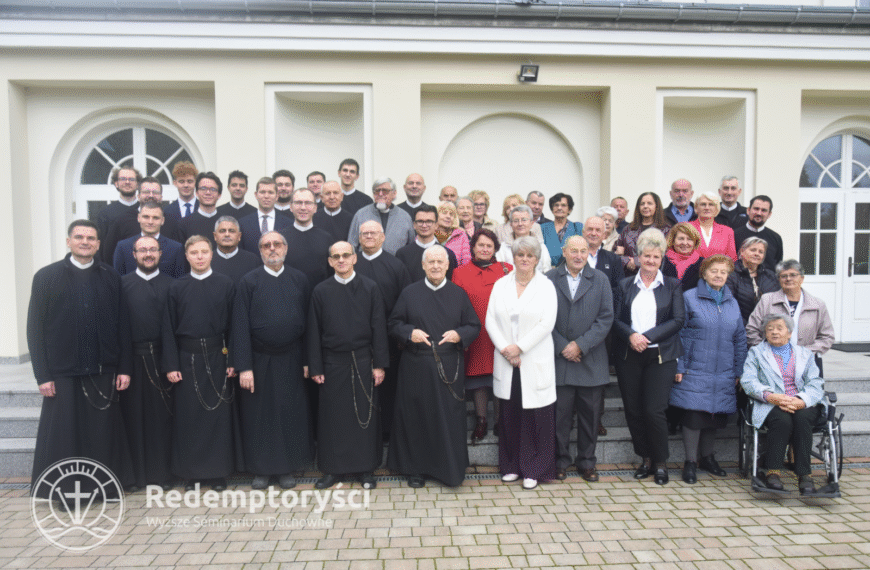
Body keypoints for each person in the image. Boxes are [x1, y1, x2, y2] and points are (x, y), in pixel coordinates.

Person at [28, 220, 134, 496]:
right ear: (69, 241)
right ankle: (65, 491)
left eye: (91, 238)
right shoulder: (46, 277)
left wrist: (123, 368)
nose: (85, 242)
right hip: (62, 372)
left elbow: (123, 325)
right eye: (79, 237)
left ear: (98, 244)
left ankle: (104, 488)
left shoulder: (111, 277)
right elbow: (35, 330)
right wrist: (43, 375)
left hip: (103, 369)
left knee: (102, 433)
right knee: (65, 437)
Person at [388, 245, 481, 488]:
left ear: (448, 265)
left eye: (440, 262)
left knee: (447, 418)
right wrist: (410, 332)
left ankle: (447, 468)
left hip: (449, 366)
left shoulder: (459, 294)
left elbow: (474, 325)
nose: (436, 266)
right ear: (423, 265)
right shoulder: (409, 293)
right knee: (416, 417)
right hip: (415, 365)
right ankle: (416, 469)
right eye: (431, 262)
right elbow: (394, 323)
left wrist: (459, 334)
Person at [233, 231, 313, 490]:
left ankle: (287, 468)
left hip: (291, 358)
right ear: (260, 251)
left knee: (290, 413)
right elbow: (240, 326)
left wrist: (308, 360)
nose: (272, 249)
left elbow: (309, 324)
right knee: (260, 415)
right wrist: (244, 366)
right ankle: (262, 471)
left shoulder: (300, 279)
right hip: (259, 360)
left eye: (277, 244)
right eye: (266, 245)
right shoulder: (249, 281)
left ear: (286, 248)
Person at [307, 241, 389, 490]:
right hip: (332, 363)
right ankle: (333, 470)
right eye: (336, 256)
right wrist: (316, 367)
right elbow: (313, 331)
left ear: (355, 258)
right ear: (330, 261)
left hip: (364, 361)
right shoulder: (320, 291)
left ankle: (365, 469)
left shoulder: (370, 287)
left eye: (346, 255)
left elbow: (379, 327)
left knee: (364, 418)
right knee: (333, 419)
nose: (341, 260)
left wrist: (379, 365)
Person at [162, 235, 240, 492]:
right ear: (186, 256)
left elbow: (235, 325)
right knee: (190, 418)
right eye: (194, 252)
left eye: (204, 252)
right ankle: (193, 474)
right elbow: (168, 329)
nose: (199, 256)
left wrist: (233, 360)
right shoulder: (176, 287)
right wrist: (171, 365)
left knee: (216, 416)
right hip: (187, 359)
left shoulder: (226, 284)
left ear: (211, 254)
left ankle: (217, 473)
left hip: (219, 357)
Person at [612, 228, 685, 485]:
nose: (651, 261)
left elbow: (678, 320)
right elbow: (614, 319)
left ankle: (661, 462)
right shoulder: (623, 285)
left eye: (656, 257)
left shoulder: (673, 285)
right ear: (638, 257)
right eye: (646, 256)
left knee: (654, 410)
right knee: (633, 410)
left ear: (662, 258)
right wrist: (631, 335)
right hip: (629, 355)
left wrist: (648, 337)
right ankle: (645, 458)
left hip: (660, 357)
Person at [487, 237, 558, 490]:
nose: (524, 259)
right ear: (513, 258)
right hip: (507, 359)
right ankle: (511, 466)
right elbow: (490, 321)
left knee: (535, 416)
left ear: (537, 259)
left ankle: (534, 469)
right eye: (520, 255)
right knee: (509, 414)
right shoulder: (500, 284)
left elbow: (546, 323)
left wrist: (520, 347)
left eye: (529, 255)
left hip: (533, 358)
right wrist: (507, 350)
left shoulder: (546, 286)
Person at [671, 255, 746, 484]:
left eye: (723, 272)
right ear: (704, 273)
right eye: (714, 271)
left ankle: (708, 458)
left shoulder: (731, 302)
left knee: (715, 413)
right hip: (694, 367)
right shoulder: (689, 298)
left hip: (723, 370)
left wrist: (738, 370)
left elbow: (740, 338)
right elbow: (678, 333)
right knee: (694, 416)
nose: (719, 275)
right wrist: (680, 364)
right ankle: (690, 462)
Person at [546, 236, 614, 483]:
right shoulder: (549, 278)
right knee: (559, 418)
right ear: (563, 251)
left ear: (589, 253)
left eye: (583, 251)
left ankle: (587, 463)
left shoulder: (601, 280)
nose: (578, 255)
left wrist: (580, 345)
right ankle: (560, 462)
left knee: (590, 417)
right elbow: (542, 318)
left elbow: (606, 318)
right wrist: (563, 346)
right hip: (560, 359)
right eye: (573, 250)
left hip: (590, 360)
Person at [741, 314, 826, 494]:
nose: (774, 332)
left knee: (802, 419)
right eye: (770, 329)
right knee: (782, 421)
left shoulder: (805, 354)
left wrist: (801, 400)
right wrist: (771, 396)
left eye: (779, 328)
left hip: (802, 401)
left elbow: (816, 383)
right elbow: (748, 381)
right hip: (771, 403)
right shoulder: (756, 353)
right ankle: (773, 472)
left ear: (789, 332)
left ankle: (805, 475)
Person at [120, 235, 174, 490]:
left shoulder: (173, 286)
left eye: (153, 249)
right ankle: (135, 477)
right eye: (142, 250)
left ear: (161, 253)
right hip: (132, 361)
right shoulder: (122, 286)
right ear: (133, 255)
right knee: (133, 419)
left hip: (164, 360)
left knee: (162, 420)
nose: (148, 254)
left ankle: (162, 475)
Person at [452, 228, 512, 444]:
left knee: (499, 378)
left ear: (495, 248)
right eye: (481, 245)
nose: (485, 249)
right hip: (475, 335)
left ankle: (499, 421)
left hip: (501, 336)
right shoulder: (460, 272)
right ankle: (481, 421)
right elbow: (455, 306)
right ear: (473, 248)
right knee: (478, 379)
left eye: (489, 245)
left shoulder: (508, 270)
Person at [354, 221, 412, 441]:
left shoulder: (396, 266)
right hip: (355, 340)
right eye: (364, 233)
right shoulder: (350, 263)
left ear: (383, 237)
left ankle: (387, 431)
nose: (368, 236)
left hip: (389, 340)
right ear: (358, 237)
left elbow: (405, 301)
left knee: (388, 387)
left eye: (373, 233)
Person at [746, 260, 835, 375]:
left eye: (793, 275)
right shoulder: (767, 301)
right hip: (771, 362)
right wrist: (766, 352)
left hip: (807, 362)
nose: (788, 279)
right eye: (783, 276)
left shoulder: (817, 305)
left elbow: (827, 336)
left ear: (802, 278)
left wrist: (805, 352)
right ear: (779, 279)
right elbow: (751, 330)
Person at [583, 215, 624, 437]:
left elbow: (618, 292)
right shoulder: (572, 255)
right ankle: (573, 418)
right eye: (589, 229)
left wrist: (610, 322)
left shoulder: (612, 259)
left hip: (603, 329)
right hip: (575, 327)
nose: (593, 233)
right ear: (583, 232)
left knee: (599, 376)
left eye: (598, 230)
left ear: (605, 234)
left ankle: (596, 418)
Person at [102, 177, 184, 260]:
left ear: (161, 196)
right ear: (138, 196)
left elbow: (179, 253)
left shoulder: (172, 221)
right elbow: (108, 254)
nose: (151, 195)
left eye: (155, 192)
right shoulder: (122, 220)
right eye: (146, 192)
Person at [113, 201, 186, 278]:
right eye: (146, 217)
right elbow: (118, 280)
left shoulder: (175, 248)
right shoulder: (123, 247)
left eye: (155, 218)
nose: (150, 222)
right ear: (138, 218)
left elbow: (179, 282)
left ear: (162, 221)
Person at [279, 188, 334, 286]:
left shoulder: (326, 238)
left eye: (308, 203)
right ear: (291, 207)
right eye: (298, 203)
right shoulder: (280, 238)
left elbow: (331, 273)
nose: (303, 207)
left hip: (318, 296)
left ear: (315, 208)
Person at [347, 177, 415, 255]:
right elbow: (351, 245)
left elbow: (411, 246)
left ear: (394, 193)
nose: (380, 194)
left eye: (385, 191)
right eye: (377, 191)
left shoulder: (404, 217)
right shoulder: (361, 214)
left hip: (396, 265)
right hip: (366, 263)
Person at [395, 205, 459, 282]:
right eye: (420, 221)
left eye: (429, 221)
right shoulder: (402, 254)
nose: (424, 225)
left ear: (436, 225)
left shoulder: (448, 254)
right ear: (414, 225)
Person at [726, 237, 780, 326]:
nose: (757, 254)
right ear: (742, 252)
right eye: (753, 250)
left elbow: (778, 304)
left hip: (768, 328)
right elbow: (729, 306)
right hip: (740, 328)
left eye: (760, 252)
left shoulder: (771, 276)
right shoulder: (730, 275)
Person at [615, 192, 671, 275]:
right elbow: (616, 251)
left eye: (649, 203)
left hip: (654, 276)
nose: (645, 206)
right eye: (642, 204)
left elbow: (666, 256)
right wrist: (626, 261)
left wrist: (637, 262)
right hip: (629, 277)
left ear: (656, 206)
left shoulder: (666, 230)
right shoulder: (628, 228)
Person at [239, 177, 293, 254]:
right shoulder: (243, 223)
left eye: (270, 192)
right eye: (262, 192)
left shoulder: (288, 224)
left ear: (277, 196)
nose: (266, 196)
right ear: (256, 195)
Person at [97, 166, 141, 262]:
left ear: (137, 184)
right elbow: (101, 246)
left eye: (131, 179)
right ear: (116, 183)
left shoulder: (145, 211)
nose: (127, 182)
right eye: (123, 179)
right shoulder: (105, 213)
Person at [733, 195, 784, 272]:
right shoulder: (734, 235)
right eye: (756, 209)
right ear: (748, 210)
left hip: (767, 283)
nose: (759, 213)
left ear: (769, 214)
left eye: (764, 210)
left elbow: (778, 267)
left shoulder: (776, 238)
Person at [496, 205, 551, 273]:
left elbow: (547, 271)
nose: (520, 224)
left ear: (531, 223)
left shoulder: (541, 246)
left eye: (524, 220)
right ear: (511, 224)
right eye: (516, 221)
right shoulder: (503, 248)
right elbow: (499, 271)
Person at [210, 216, 262, 284]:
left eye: (232, 231)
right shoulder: (206, 260)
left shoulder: (253, 261)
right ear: (215, 236)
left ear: (239, 236)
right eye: (222, 231)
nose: (227, 234)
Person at [689, 192, 737, 261]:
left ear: (717, 209)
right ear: (696, 208)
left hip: (718, 271)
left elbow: (732, 259)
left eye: (711, 204)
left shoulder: (727, 231)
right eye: (703, 204)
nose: (707, 208)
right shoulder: (686, 228)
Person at [540, 193, 583, 267]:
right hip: (548, 272)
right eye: (556, 205)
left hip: (571, 271)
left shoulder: (577, 228)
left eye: (563, 205)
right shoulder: (542, 228)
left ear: (569, 210)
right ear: (552, 209)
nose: (559, 208)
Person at [180, 172, 223, 245]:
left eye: (213, 189)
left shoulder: (226, 223)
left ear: (219, 195)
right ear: (197, 193)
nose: (208, 192)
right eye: (203, 188)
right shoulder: (184, 224)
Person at [661, 222, 704, 292]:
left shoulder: (702, 264)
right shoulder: (662, 261)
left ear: (695, 242)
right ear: (673, 240)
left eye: (689, 239)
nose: (685, 243)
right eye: (681, 239)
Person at [435, 200, 472, 266]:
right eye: (444, 213)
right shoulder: (428, 234)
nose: (448, 216)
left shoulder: (461, 235)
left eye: (451, 214)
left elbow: (466, 262)